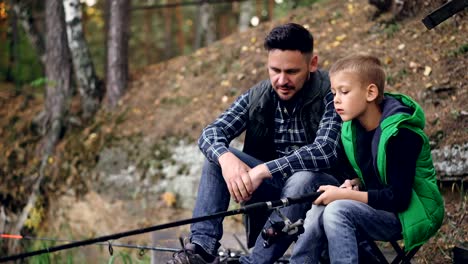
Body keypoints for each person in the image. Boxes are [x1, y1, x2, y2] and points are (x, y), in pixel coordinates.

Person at [167, 23, 343, 264]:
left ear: (312, 64)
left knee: (302, 178)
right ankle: (201, 249)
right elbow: (210, 133)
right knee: (217, 158)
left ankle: (253, 262)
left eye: (292, 71)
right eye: (275, 70)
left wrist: (264, 169)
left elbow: (326, 150)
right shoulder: (259, 95)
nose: (282, 80)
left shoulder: (331, 91)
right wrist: (227, 159)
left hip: (325, 189)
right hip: (274, 190)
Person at [289, 53, 445, 264]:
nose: (336, 99)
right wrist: (355, 184)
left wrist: (345, 197)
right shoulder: (353, 129)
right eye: (334, 92)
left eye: (344, 92)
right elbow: (377, 175)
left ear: (371, 92)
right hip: (383, 207)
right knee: (321, 205)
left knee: (337, 208)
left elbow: (398, 198)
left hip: (411, 214)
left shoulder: (401, 135)